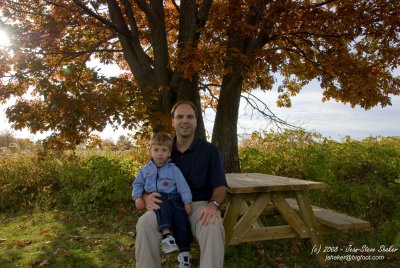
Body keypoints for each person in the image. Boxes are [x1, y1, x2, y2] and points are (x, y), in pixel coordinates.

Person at [135, 101, 227, 268]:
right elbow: (145, 178)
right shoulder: (162, 150)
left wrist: (213, 205)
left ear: (196, 121)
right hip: (166, 204)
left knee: (213, 225)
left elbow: (220, 186)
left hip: (199, 206)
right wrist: (145, 197)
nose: (185, 121)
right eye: (180, 117)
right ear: (173, 122)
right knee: (144, 224)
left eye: (190, 117)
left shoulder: (210, 151)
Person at [132, 132, 193, 267]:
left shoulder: (173, 169)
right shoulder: (145, 170)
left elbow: (183, 186)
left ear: (169, 153)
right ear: (151, 151)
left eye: (164, 150)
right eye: (156, 150)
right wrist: (138, 198)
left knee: (182, 222)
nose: (160, 153)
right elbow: (137, 184)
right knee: (161, 204)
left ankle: (184, 255)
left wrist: (187, 201)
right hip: (159, 199)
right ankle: (167, 237)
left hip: (175, 200)